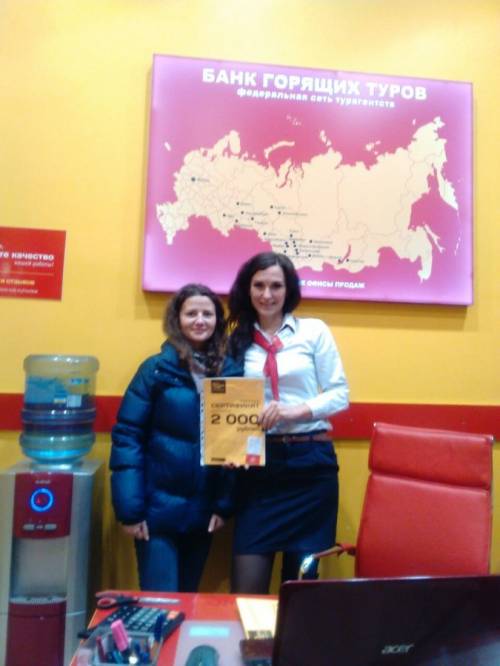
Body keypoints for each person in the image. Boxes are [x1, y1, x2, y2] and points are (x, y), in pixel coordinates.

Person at [227, 252, 349, 594]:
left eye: (276, 286)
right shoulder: (236, 340)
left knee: (300, 592)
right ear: (247, 289)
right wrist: (229, 439)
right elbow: (224, 401)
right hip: (258, 469)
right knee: (246, 593)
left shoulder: (314, 331)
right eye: (259, 285)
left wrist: (292, 412)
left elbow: (340, 395)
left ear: (289, 289)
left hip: (310, 467)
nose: (267, 294)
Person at [109, 284, 242, 592]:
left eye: (208, 314)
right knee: (161, 604)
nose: (200, 320)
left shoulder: (231, 373)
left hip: (202, 514)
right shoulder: (155, 370)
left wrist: (223, 506)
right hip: (156, 515)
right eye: (191, 313)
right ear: (177, 319)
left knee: (188, 601)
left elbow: (234, 448)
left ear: (218, 321)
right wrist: (130, 511)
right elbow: (128, 438)